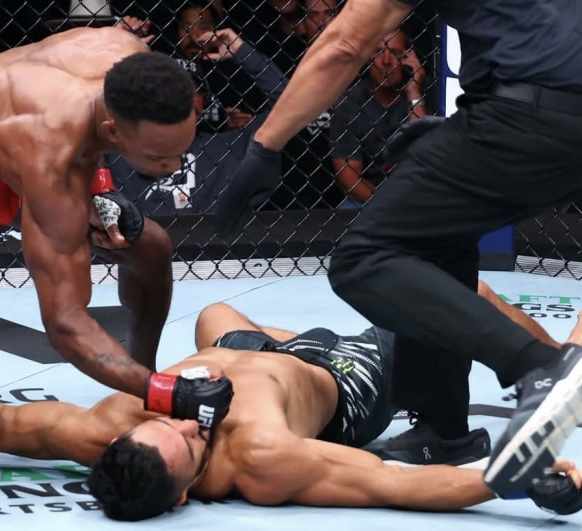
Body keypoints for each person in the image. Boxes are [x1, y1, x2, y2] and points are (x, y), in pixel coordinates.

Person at [0, 27, 234, 512]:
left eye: (181, 147)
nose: (174, 166)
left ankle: (140, 388)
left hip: (16, 145)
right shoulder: (50, 153)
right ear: (114, 131)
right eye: (159, 157)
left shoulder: (128, 59)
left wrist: (100, 189)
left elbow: (85, 129)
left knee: (151, 246)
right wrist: (171, 394)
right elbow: (66, 324)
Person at [212, 0, 582, 497]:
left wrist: (265, 144)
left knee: (362, 259)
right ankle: (443, 429)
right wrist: (462, 127)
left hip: (528, 114)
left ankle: (538, 368)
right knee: (433, 236)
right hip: (543, 112)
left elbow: (345, 43)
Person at [0, 280, 582, 521]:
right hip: (344, 376)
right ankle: (566, 362)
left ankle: (276, 343)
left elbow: (3, 428)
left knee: (214, 312)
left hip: (251, 348)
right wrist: (508, 482)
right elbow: (390, 483)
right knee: (460, 296)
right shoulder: (261, 459)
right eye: (190, 444)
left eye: (166, 423)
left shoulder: (117, 425)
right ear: (184, 495)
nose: (187, 423)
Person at [108, 27, 286, 214]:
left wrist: (242, 51)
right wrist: (111, 53)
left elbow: (288, 105)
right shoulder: (118, 151)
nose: (180, 98)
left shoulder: (227, 148)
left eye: (190, 90)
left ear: (204, 101)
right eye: (168, 89)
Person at [330, 29, 426, 206]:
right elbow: (348, 178)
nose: (386, 61)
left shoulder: (420, 95)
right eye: (378, 51)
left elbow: (425, 156)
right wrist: (387, 206)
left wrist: (414, 93)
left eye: (395, 53)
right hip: (368, 197)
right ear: (368, 57)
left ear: (408, 58)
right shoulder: (349, 104)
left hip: (416, 192)